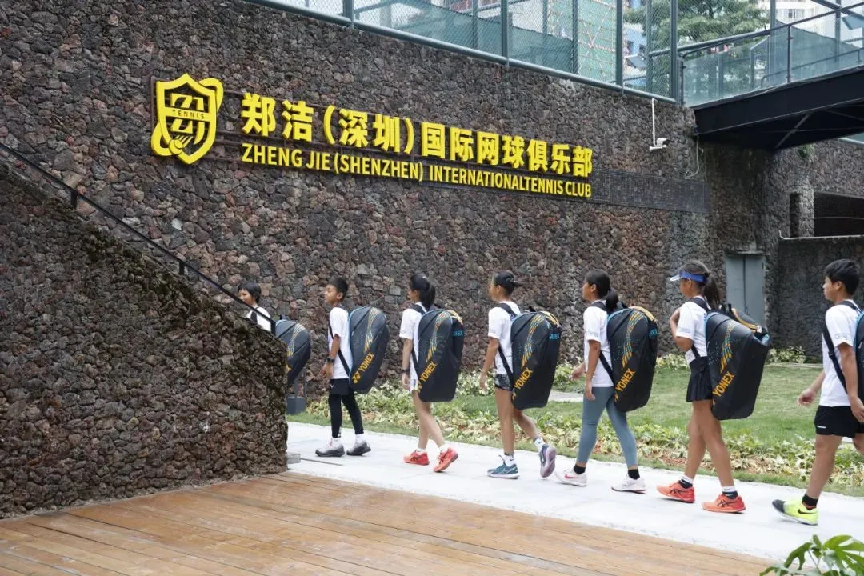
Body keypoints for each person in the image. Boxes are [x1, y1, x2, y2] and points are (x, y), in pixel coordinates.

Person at [773, 259, 864, 526]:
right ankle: (808, 505)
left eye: (826, 281)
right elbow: (836, 360)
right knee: (860, 442)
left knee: (824, 446)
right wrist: (814, 387)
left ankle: (808, 507)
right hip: (853, 392)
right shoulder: (856, 312)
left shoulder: (835, 314)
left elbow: (847, 355)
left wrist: (851, 396)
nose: (823, 286)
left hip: (841, 397)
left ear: (838, 285)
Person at [657, 261, 746, 513]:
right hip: (710, 372)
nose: (680, 287)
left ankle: (730, 495)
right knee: (696, 431)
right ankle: (685, 485)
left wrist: (672, 322)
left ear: (688, 283)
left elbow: (684, 343)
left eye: (681, 282)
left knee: (711, 434)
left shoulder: (689, 308)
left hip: (702, 374)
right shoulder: (707, 306)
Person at [559, 270, 644, 493]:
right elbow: (603, 348)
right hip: (615, 377)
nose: (582, 287)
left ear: (593, 287)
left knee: (589, 423)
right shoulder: (611, 310)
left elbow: (596, 347)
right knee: (620, 424)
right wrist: (582, 368)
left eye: (584, 284)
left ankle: (578, 472)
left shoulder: (592, 312)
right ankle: (634, 476)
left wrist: (589, 380)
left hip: (600, 380)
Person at [479, 270, 556, 479]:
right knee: (516, 414)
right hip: (519, 370)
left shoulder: (496, 312)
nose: (489, 287)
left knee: (505, 417)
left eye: (491, 284)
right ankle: (542, 447)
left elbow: (493, 344)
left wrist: (484, 371)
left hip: (504, 372)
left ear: (498, 288)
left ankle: (509, 463)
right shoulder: (515, 309)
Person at [401, 273, 459, 472]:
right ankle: (420, 452)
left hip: (418, 369)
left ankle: (444, 449)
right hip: (432, 367)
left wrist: (404, 371)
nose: (408, 291)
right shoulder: (432, 313)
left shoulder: (410, 314)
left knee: (422, 411)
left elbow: (407, 344)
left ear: (415, 292)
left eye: (409, 288)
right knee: (425, 409)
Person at [315, 277, 370, 458]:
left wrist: (330, 362)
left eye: (329, 290)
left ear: (339, 295)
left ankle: (336, 443)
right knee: (349, 401)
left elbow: (336, 339)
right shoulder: (343, 313)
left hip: (340, 366)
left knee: (334, 400)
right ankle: (360, 440)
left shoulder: (335, 313)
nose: (325, 293)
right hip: (346, 364)